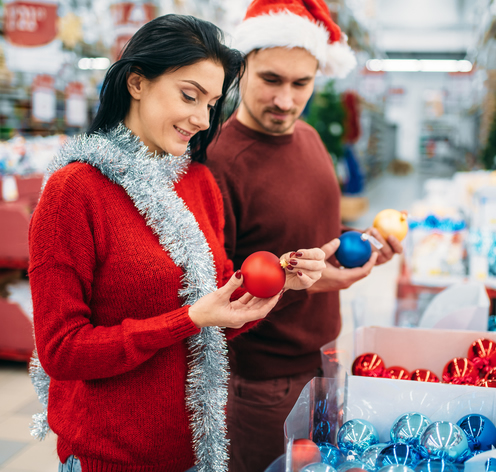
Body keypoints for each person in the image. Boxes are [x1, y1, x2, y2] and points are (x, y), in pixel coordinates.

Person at [27, 14, 327, 472]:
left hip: (195, 453)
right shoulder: (74, 191)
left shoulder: (199, 182)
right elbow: (62, 351)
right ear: (137, 82)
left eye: (211, 103)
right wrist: (185, 319)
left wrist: (281, 282)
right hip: (111, 458)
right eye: (189, 95)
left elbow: (217, 314)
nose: (201, 118)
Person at [205, 1, 404, 470]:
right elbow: (215, 296)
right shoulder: (219, 163)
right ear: (242, 69)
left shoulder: (311, 141)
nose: (286, 100)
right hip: (260, 383)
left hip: (325, 360)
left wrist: (361, 244)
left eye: (301, 84)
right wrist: (311, 283)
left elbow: (312, 232)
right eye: (271, 80)